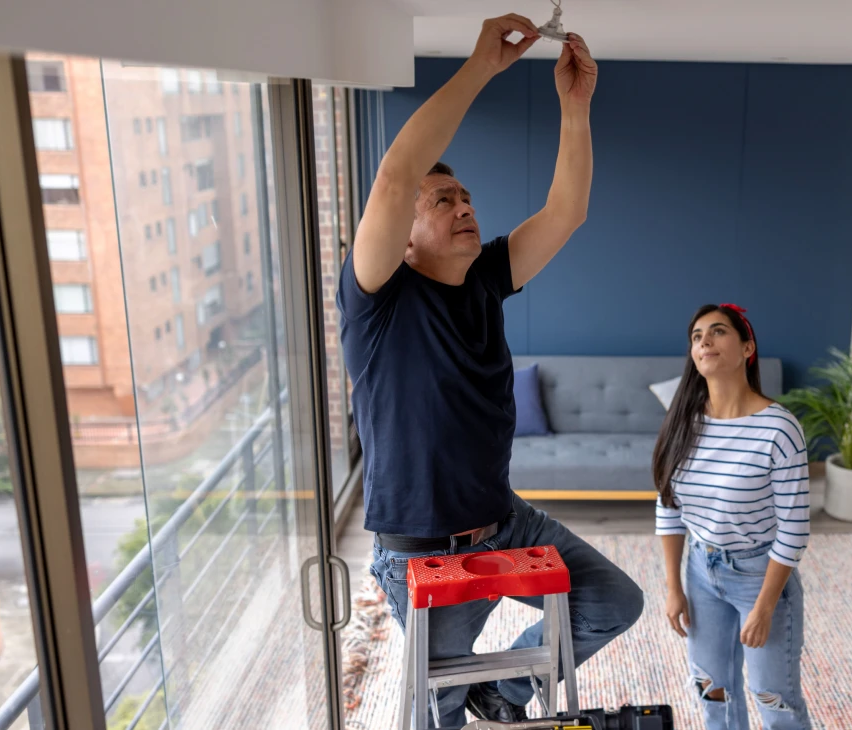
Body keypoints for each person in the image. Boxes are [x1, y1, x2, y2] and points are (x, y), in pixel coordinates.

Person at [336, 12, 643, 727]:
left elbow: (565, 212)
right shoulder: (376, 300)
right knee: (434, 711)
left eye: (467, 197)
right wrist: (482, 66)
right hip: (422, 553)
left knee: (613, 602)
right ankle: (463, 697)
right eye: (443, 200)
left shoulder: (485, 278)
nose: (465, 206)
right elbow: (393, 178)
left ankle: (502, 692)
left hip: (505, 523)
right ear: (405, 236)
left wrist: (575, 107)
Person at [653, 304, 813, 730]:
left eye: (718, 331)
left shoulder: (779, 428)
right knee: (712, 690)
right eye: (696, 335)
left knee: (775, 700)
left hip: (761, 577)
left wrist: (763, 608)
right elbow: (669, 507)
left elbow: (795, 531)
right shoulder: (684, 420)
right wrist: (673, 587)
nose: (704, 340)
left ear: (747, 348)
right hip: (701, 572)